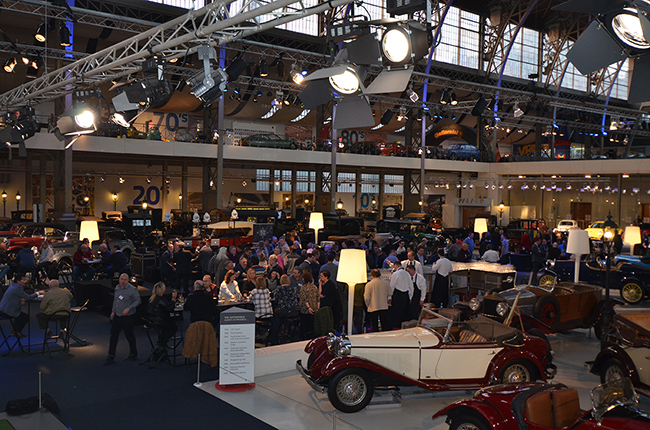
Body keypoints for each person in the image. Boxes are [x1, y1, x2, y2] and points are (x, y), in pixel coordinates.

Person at [105, 273, 141, 363]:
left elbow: (138, 300)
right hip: (117, 315)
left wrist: (129, 308)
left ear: (128, 280)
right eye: (121, 279)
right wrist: (113, 311)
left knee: (129, 335)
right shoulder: (117, 288)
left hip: (128, 317)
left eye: (125, 280)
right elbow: (115, 301)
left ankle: (133, 353)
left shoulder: (132, 290)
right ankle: (111, 355)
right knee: (113, 335)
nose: (123, 281)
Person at [0, 271, 44, 337]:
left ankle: (16, 331)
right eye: (23, 280)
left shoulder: (13, 285)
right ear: (18, 281)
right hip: (8, 310)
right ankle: (17, 331)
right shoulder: (17, 288)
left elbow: (18, 295)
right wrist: (38, 293)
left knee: (20, 316)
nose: (25, 282)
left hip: (3, 308)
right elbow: (28, 297)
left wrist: (22, 299)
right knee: (24, 317)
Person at [147, 282, 176, 351]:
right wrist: (174, 298)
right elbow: (170, 308)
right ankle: (162, 342)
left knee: (166, 328)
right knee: (174, 328)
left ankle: (161, 342)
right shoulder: (160, 299)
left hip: (153, 320)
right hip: (159, 321)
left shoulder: (152, 298)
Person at [248, 277, 278, 345]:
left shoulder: (254, 291)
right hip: (269, 314)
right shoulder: (267, 290)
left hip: (260, 315)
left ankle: (257, 336)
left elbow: (249, 300)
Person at [389, 261, 412, 329]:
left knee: (396, 313)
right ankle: (403, 327)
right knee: (404, 313)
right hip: (406, 295)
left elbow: (391, 286)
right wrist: (410, 296)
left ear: (396, 265)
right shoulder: (407, 273)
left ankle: (396, 327)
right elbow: (411, 286)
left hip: (398, 295)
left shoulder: (395, 274)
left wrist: (389, 297)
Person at [298, 271, 318, 340]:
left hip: (305, 310)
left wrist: (308, 307)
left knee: (304, 326)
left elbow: (304, 299)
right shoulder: (315, 287)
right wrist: (317, 308)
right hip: (314, 309)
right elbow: (318, 298)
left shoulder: (303, 288)